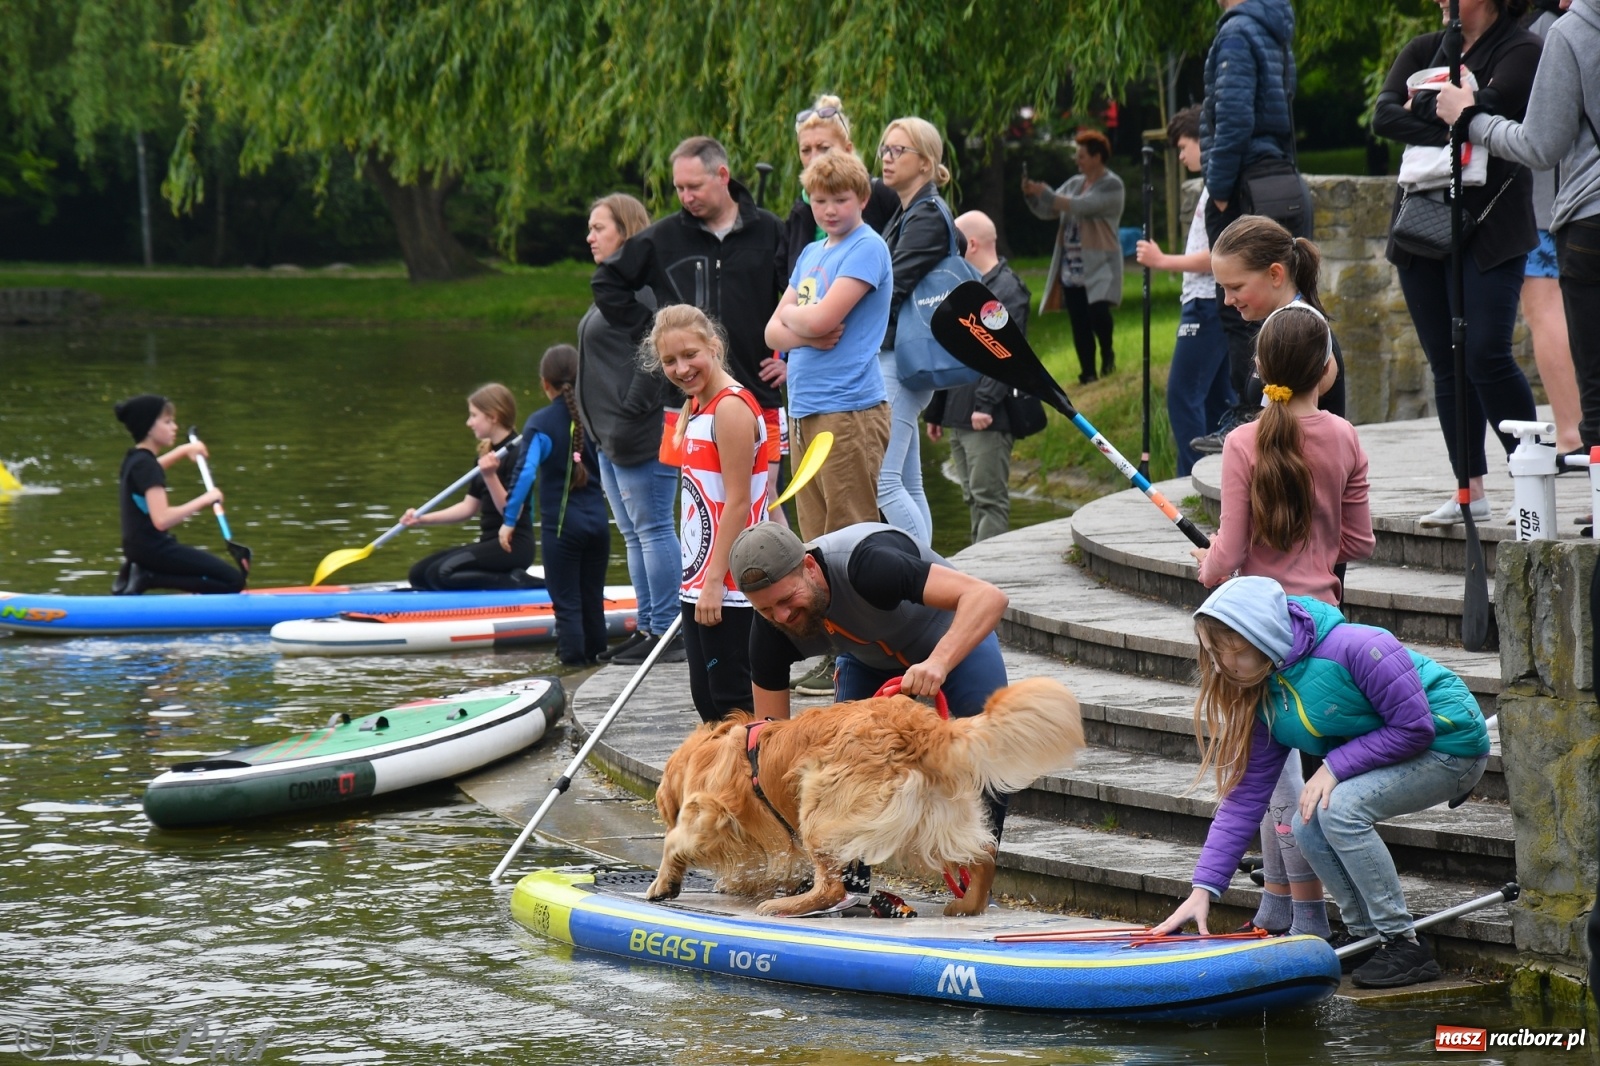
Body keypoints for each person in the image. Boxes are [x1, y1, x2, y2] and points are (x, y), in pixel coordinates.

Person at [1151, 575, 1490, 989]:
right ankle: (1365, 935)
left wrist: (1333, 766)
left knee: (1341, 808)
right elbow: (1246, 797)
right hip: (1393, 749)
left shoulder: (1359, 645)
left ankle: (1404, 943)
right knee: (1306, 820)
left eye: (1228, 655)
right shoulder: (1266, 690)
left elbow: (1414, 727)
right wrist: (1204, 887)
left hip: (1451, 744)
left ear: (1261, 636)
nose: (1221, 668)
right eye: (1213, 656)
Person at [1190, 304, 1375, 940]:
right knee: (1295, 779)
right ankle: (1282, 909)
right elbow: (1359, 541)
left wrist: (1207, 564)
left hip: (1260, 633)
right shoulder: (1346, 436)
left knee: (1274, 784)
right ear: (1328, 370)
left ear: (1260, 368)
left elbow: (1229, 557)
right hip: (1322, 627)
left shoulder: (1242, 442)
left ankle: (1307, 920)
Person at [728, 519, 1012, 895]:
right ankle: (845, 888)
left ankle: (977, 885)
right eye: (766, 610)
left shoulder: (869, 565)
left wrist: (938, 662)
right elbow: (768, 750)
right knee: (837, 765)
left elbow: (987, 597)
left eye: (786, 600)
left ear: (810, 568)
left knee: (988, 749)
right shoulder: (769, 633)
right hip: (869, 664)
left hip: (952, 644)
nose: (781, 616)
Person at [1372, 0, 1540, 527]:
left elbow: (1491, 104)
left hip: (1491, 224)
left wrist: (1454, 113)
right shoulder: (1424, 48)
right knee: (1447, 362)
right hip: (1421, 223)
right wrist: (1452, 121)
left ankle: (1530, 480)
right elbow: (1385, 116)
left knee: (1486, 352)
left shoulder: (1523, 48)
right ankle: (1468, 489)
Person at [591, 136, 787, 544]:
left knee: (765, 498)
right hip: (687, 398)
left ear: (722, 175)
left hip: (759, 389)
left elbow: (798, 297)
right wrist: (656, 333)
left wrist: (791, 358)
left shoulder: (769, 230)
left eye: (694, 186)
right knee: (700, 500)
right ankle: (705, 585)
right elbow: (607, 281)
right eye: (679, 188)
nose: (685, 196)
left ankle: (778, 593)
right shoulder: (663, 237)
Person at [1437, 0, 1599, 471]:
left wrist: (1471, 118)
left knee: (1596, 380)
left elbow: (1540, 146)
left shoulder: (1571, 34)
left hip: (1590, 218)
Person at [573, 192, 682, 666]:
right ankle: (649, 626)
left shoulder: (642, 290)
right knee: (635, 534)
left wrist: (630, 411)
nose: (590, 236)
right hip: (609, 439)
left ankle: (671, 628)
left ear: (626, 230)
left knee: (654, 527)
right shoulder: (615, 289)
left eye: (600, 227)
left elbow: (658, 353)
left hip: (638, 434)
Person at [1199, 0, 1313, 447]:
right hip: (1279, 175)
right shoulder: (1274, 28)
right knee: (1282, 300)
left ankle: (1249, 414)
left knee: (1237, 305)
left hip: (1244, 179)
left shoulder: (1236, 32)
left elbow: (1233, 115)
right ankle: (1280, 408)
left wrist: (1220, 186)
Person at [764, 150, 892, 543]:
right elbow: (771, 333)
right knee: (814, 537)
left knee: (850, 535)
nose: (830, 210)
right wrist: (806, 333)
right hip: (803, 410)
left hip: (847, 410)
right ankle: (826, 609)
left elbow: (822, 320)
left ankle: (865, 607)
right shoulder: (810, 254)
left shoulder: (866, 248)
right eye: (820, 200)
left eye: (841, 200)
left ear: (863, 199)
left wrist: (800, 321)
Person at [648, 305, 767, 723]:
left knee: (734, 701)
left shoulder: (731, 408)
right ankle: (728, 784)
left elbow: (738, 502)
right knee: (708, 699)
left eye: (690, 354)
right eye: (669, 361)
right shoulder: (697, 406)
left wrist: (715, 581)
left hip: (729, 581)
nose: (681, 368)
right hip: (698, 580)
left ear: (714, 347)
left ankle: (757, 782)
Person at [876, 116, 963, 548]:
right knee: (907, 481)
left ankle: (927, 580)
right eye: (884, 150)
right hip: (902, 357)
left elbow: (890, 286)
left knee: (883, 481)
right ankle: (928, 584)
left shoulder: (925, 215)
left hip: (901, 359)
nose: (887, 159)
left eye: (898, 151)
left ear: (926, 163)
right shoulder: (909, 211)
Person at [1135, 105, 1236, 476]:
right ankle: (1220, 477)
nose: (1180, 155)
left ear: (1203, 140)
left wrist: (1161, 261)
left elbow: (1218, 257)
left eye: (1183, 146)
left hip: (1207, 304)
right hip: (1210, 303)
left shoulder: (1219, 187)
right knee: (1218, 399)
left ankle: (1189, 478)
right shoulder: (1214, 184)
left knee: (1183, 394)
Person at [500, 345, 611, 666]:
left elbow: (524, 476)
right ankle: (597, 666)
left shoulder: (540, 423)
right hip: (599, 526)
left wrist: (509, 521)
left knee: (567, 605)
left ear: (544, 384)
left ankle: (573, 674)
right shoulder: (594, 416)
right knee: (593, 601)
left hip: (563, 529)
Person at [925, 210, 1031, 543]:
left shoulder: (1006, 289)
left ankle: (988, 576)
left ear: (969, 243)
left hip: (987, 414)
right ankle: (974, 576)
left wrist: (985, 403)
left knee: (988, 499)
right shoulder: (964, 287)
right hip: (959, 411)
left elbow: (1006, 353)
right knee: (970, 497)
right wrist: (937, 409)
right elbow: (950, 350)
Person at [1208, 216, 1348, 426]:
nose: (1227, 300)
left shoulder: (1294, 335)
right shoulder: (1288, 324)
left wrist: (1237, 443)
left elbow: (1283, 432)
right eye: (1222, 288)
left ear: (1275, 274)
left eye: (1236, 287)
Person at [401, 384, 536, 591]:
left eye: (474, 415)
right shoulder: (485, 457)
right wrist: (422, 519)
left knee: (442, 573)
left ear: (493, 417)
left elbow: (512, 514)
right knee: (419, 575)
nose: (468, 422)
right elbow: (468, 508)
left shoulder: (519, 456)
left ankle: (517, 581)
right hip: (489, 543)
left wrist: (490, 476)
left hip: (513, 546)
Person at [111, 394, 246, 595]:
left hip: (139, 548)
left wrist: (184, 451)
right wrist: (206, 499)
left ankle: (147, 576)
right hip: (153, 549)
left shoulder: (136, 460)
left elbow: (153, 470)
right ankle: (149, 577)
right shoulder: (146, 466)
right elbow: (162, 520)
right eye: (167, 422)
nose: (174, 427)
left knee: (212, 576)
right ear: (148, 428)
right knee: (233, 581)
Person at [1021, 130, 1126, 384]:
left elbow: (1082, 206)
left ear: (1097, 156)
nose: (1077, 161)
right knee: (1079, 321)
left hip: (1099, 262)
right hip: (1071, 265)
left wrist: (1044, 191)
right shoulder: (1074, 183)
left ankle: (1107, 352)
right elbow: (1050, 208)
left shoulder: (1112, 185)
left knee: (1099, 313)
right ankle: (1088, 372)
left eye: (1082, 156)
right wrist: (1031, 195)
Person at [783, 95, 903, 278]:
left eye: (824, 148)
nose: (814, 158)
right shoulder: (801, 207)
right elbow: (789, 276)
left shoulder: (881, 194)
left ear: (847, 149)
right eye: (806, 150)